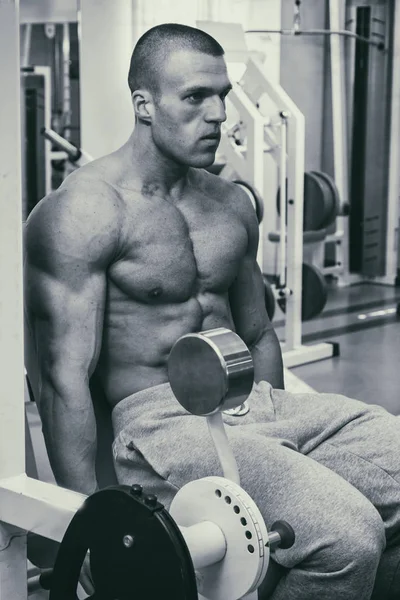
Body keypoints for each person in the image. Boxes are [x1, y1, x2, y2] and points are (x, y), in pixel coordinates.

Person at [24, 23, 400, 600]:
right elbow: (62, 381)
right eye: (195, 97)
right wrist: (90, 526)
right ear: (144, 105)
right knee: (344, 535)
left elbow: (256, 332)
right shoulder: (83, 212)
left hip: (260, 407)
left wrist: (272, 451)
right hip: (160, 426)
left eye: (222, 95)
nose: (219, 113)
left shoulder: (228, 204)